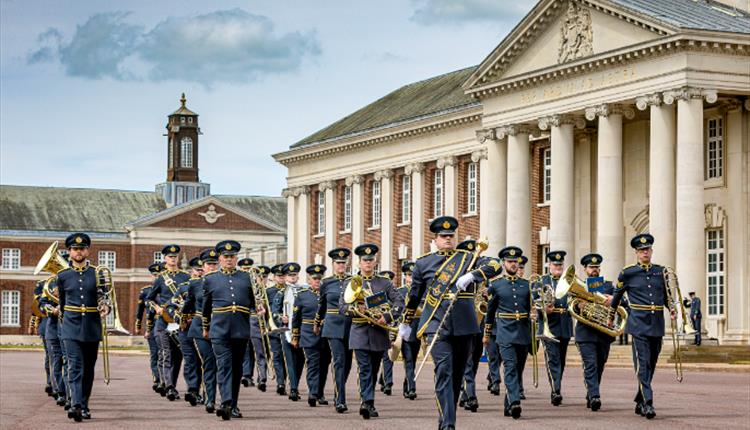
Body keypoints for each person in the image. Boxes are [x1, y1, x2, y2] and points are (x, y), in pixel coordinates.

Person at [399, 216, 499, 430]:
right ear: (435, 239)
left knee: (457, 376)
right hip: (437, 326)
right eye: (443, 237)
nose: (447, 239)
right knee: (443, 371)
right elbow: (414, 296)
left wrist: (473, 274)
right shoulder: (423, 263)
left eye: (451, 236)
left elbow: (495, 265)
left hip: (465, 326)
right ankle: (449, 424)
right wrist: (406, 323)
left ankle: (445, 416)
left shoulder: (469, 258)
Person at [610, 233, 672, 419]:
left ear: (651, 251)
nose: (645, 252)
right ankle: (648, 402)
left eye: (648, 249)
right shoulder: (628, 272)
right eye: (642, 250)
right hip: (637, 324)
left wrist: (673, 309)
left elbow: (666, 296)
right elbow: (617, 295)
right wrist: (611, 315)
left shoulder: (660, 271)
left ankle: (639, 399)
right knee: (643, 364)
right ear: (636, 253)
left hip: (656, 323)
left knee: (651, 364)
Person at [339, 243, 403, 420]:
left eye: (371, 260)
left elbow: (399, 302)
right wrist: (359, 311)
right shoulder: (349, 282)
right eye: (364, 260)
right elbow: (342, 307)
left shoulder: (384, 282)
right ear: (359, 263)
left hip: (379, 331)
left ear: (375, 262)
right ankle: (367, 402)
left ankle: (369, 400)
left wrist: (387, 316)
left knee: (374, 368)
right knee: (364, 368)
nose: (367, 263)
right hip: (359, 330)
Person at [202, 240, 262, 420]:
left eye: (232, 256)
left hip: (241, 330)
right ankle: (226, 402)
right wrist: (206, 327)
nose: (229, 259)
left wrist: (258, 308)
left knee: (236, 369)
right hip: (220, 330)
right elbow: (206, 308)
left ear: (236, 258)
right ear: (220, 258)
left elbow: (252, 301)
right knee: (224, 365)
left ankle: (233, 404)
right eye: (225, 257)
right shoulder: (210, 279)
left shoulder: (246, 277)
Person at [56, 233, 110, 422]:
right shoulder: (62, 276)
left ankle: (84, 404)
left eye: (82, 249)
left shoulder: (97, 272)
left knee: (88, 368)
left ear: (87, 250)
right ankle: (76, 404)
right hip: (70, 326)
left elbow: (104, 296)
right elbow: (62, 304)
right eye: (75, 249)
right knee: (74, 366)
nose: (78, 252)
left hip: (92, 326)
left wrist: (105, 307)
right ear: (69, 252)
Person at [483, 246, 534, 419]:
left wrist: (536, 313)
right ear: (503, 263)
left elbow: (532, 308)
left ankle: (508, 404)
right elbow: (490, 312)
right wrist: (487, 333)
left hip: (523, 333)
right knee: (510, 367)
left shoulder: (527, 285)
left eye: (515, 261)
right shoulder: (496, 285)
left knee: (518, 370)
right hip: (505, 332)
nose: (513, 264)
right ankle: (514, 402)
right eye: (510, 261)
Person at [146, 245, 190, 401]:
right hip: (164, 322)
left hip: (179, 322)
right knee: (166, 354)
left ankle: (173, 384)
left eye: (175, 256)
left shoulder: (186, 277)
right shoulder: (161, 278)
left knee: (178, 356)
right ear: (165, 258)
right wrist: (157, 308)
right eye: (170, 257)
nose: (173, 259)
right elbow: (149, 299)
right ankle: (169, 386)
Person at [575, 253, 616, 411]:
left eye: (597, 267)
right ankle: (595, 396)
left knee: (600, 365)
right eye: (591, 267)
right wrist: (579, 304)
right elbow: (569, 305)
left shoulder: (608, 286)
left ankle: (591, 392)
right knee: (590, 365)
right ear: (585, 269)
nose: (595, 270)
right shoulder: (579, 286)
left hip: (603, 333)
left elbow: (623, 302)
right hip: (585, 333)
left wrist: (613, 299)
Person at [457, 239, 494, 413]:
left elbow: (494, 264)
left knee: (475, 359)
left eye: (474, 254)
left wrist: (487, 295)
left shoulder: (479, 274)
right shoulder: (456, 272)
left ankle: (464, 393)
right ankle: (471, 396)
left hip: (479, 322)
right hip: (463, 321)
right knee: (468, 361)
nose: (472, 258)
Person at [315, 248, 353, 413]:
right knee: (339, 361)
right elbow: (321, 305)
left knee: (348, 364)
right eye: (338, 263)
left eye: (344, 263)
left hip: (350, 325)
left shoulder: (354, 281)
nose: (341, 265)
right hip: (332, 325)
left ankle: (339, 390)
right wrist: (317, 322)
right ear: (333, 264)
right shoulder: (326, 282)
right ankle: (340, 400)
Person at [533, 250, 573, 406]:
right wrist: (543, 309)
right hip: (549, 325)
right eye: (555, 264)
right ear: (549, 265)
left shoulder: (569, 281)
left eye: (560, 264)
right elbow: (536, 302)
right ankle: (556, 390)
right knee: (553, 359)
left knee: (561, 361)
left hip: (564, 324)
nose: (558, 267)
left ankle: (556, 385)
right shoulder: (542, 282)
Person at [183, 249, 219, 414]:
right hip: (199, 329)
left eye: (214, 264)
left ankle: (214, 395)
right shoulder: (195, 284)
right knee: (209, 361)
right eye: (208, 264)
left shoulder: (224, 282)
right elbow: (188, 305)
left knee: (222, 364)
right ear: (203, 267)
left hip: (220, 327)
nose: (212, 267)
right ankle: (210, 398)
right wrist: (183, 320)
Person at [166, 256, 204, 406]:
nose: (199, 273)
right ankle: (193, 390)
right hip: (186, 329)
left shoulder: (210, 285)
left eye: (202, 270)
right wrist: (179, 318)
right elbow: (170, 307)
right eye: (197, 270)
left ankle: (204, 391)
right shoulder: (184, 287)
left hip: (203, 328)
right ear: (191, 271)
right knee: (190, 360)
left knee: (203, 361)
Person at [292, 264, 331, 407]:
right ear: (309, 279)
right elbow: (295, 318)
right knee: (313, 363)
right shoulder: (302, 295)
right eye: (314, 279)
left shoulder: (327, 294)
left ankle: (320, 392)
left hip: (326, 334)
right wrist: (295, 336)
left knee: (324, 364)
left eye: (319, 279)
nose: (317, 281)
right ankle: (313, 392)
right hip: (308, 334)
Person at [275, 262, 306, 402]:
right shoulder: (281, 292)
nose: (292, 277)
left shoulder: (305, 289)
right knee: (290, 360)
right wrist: (281, 317)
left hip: (302, 330)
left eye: (294, 275)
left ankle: (296, 384)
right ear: (286, 276)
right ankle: (293, 388)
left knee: (300, 360)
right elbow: (274, 312)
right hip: (287, 330)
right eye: (290, 275)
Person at [135, 263, 162, 393]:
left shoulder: (166, 289)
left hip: (165, 324)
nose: (157, 277)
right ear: (151, 276)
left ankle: (165, 380)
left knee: (166, 354)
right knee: (155, 354)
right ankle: (157, 379)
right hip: (152, 325)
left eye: (159, 275)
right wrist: (138, 324)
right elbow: (140, 310)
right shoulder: (146, 291)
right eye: (155, 275)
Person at [397, 260, 419, 400]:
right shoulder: (400, 292)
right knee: (409, 359)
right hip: (405, 328)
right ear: (405, 276)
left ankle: (407, 382)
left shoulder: (420, 291)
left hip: (417, 328)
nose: (411, 278)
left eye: (413, 275)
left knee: (414, 359)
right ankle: (412, 388)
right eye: (409, 275)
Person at [237, 258, 259, 389]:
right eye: (245, 269)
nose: (247, 271)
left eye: (249, 269)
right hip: (241, 318)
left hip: (254, 319)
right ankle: (244, 374)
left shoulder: (256, 284)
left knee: (252, 350)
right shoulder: (239, 282)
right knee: (243, 349)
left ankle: (248, 375)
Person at [268, 264, 289, 395]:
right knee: (277, 355)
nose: (281, 279)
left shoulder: (290, 290)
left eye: (283, 276)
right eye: (279, 276)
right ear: (274, 277)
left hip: (287, 329)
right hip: (273, 328)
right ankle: (280, 382)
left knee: (287, 356)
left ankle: (285, 379)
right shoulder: (269, 292)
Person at [377, 269, 396, 396]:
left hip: (390, 328)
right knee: (378, 358)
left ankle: (388, 383)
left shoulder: (394, 296)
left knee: (388, 357)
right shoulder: (378, 298)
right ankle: (382, 379)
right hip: (377, 328)